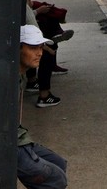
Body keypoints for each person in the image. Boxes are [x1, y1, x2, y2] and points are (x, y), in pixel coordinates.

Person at [17, 24, 69, 189]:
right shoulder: (4, 76)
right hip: (7, 144)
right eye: (32, 47)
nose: (39, 53)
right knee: (55, 179)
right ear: (17, 48)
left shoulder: (21, 75)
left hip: (19, 138)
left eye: (40, 47)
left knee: (58, 163)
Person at [24, 0, 72, 108]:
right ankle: (44, 95)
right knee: (48, 52)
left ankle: (33, 81)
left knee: (48, 18)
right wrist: (44, 45)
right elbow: (30, 20)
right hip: (28, 35)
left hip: (27, 32)